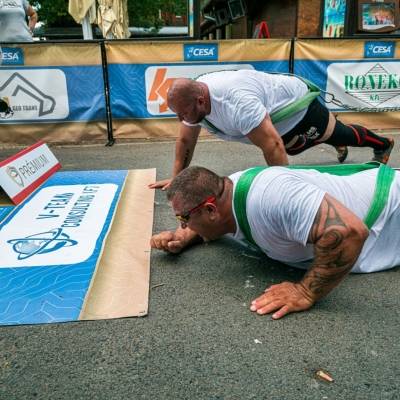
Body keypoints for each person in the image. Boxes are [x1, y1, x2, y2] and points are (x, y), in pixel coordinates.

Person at [150, 165, 400, 319]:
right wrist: (181, 237)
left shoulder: (269, 198)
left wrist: (305, 292)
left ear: (210, 210)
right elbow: (206, 220)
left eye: (183, 218)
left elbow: (348, 232)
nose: (183, 225)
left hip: (392, 208)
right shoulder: (225, 196)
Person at [149, 70, 394, 190]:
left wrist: (283, 191)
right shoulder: (193, 101)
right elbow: (185, 142)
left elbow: (271, 145)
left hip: (300, 110)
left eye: (183, 114)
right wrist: (177, 179)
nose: (181, 119)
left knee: (340, 133)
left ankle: (383, 144)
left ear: (201, 101)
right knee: (293, 148)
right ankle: (325, 139)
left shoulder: (236, 102)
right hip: (276, 123)